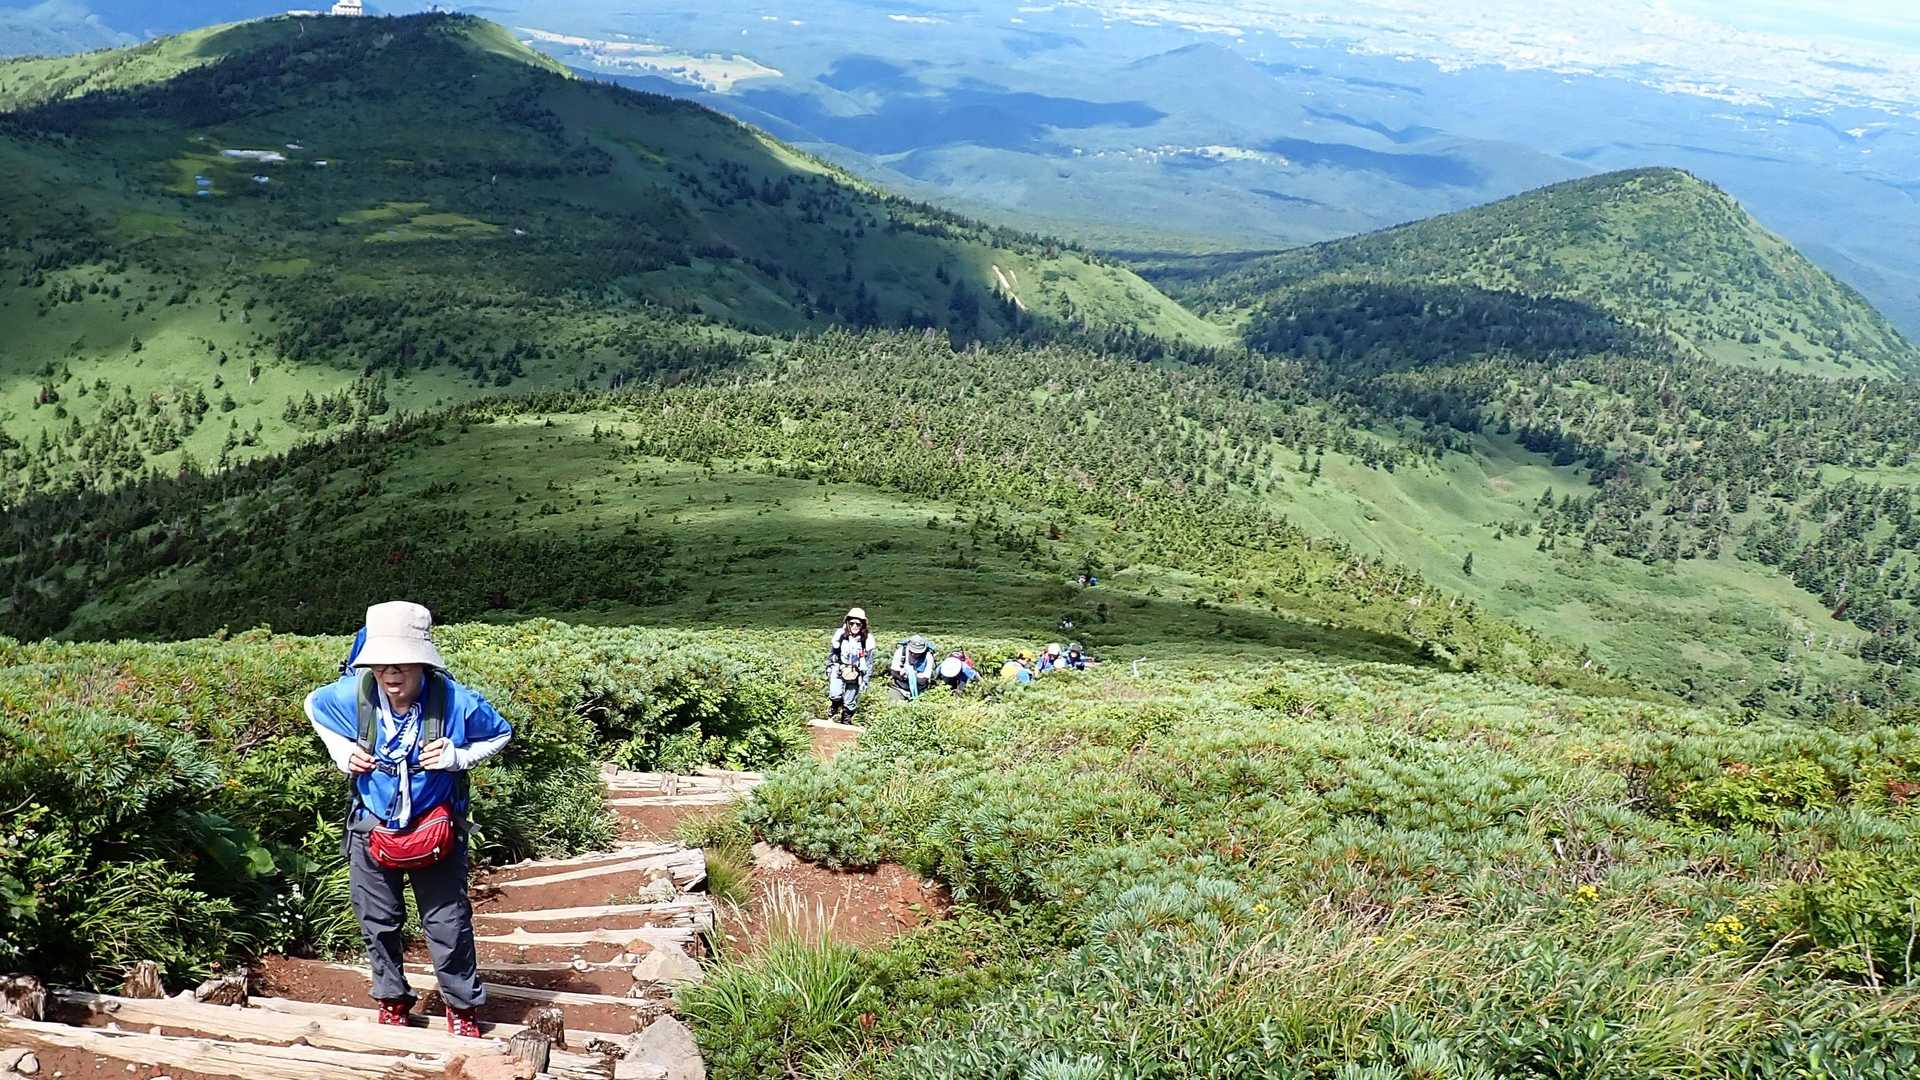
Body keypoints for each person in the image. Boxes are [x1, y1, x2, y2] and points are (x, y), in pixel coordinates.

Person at [305, 602, 512, 1038]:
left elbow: (500, 732)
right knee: (377, 920)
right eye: (380, 664)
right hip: (371, 825)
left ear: (423, 663)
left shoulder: (456, 701)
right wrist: (342, 752)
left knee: (446, 922)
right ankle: (392, 1000)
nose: (390, 673)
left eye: (401, 663)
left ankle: (462, 1007)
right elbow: (312, 705)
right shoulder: (352, 696)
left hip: (435, 826)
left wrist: (458, 758)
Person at [825, 607, 875, 723]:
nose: (854, 626)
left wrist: (865, 680)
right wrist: (829, 667)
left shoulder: (868, 640)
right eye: (852, 623)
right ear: (847, 623)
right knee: (835, 694)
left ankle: (846, 720)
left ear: (863, 625)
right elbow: (832, 653)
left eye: (858, 624)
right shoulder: (840, 635)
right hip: (839, 667)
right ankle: (834, 706)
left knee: (850, 701)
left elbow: (869, 662)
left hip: (856, 671)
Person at [889, 634, 939, 700]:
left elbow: (924, 680)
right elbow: (894, 672)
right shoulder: (901, 651)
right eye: (912, 652)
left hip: (920, 690)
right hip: (900, 688)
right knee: (894, 702)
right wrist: (902, 676)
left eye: (918, 653)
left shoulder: (928, 656)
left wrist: (911, 676)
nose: (915, 654)